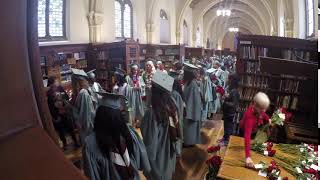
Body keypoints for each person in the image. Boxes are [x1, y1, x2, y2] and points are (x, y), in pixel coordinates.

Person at [83, 93, 151, 180]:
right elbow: (139, 161)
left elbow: (92, 175)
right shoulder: (129, 132)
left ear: (98, 116)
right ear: (119, 115)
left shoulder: (89, 144)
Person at [141, 71, 180, 180]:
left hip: (158, 156)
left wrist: (147, 165)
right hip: (169, 152)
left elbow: (150, 144)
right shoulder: (172, 105)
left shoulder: (153, 114)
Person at [239, 92, 271, 169]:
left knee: (251, 143)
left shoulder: (258, 110)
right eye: (262, 108)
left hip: (254, 129)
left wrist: (268, 118)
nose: (264, 110)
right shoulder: (249, 117)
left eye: (265, 108)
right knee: (241, 145)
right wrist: (247, 157)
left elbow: (263, 114)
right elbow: (247, 136)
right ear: (255, 105)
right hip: (244, 131)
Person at [47, 76, 79, 149]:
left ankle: (76, 142)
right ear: (52, 83)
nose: (58, 82)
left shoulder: (60, 88)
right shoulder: (49, 93)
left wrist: (63, 100)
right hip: (57, 114)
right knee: (60, 130)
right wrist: (55, 116)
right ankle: (65, 144)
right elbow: (50, 105)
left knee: (70, 128)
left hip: (65, 112)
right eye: (56, 81)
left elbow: (66, 97)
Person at [72, 68, 96, 144]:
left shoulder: (85, 91)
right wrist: (88, 124)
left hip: (89, 120)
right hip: (88, 123)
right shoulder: (83, 93)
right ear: (81, 82)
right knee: (88, 142)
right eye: (86, 80)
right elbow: (85, 112)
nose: (87, 83)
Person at [183, 63, 203, 146]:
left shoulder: (193, 84)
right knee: (188, 127)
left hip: (191, 109)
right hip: (187, 106)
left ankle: (190, 142)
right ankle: (188, 141)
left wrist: (188, 109)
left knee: (191, 127)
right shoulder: (188, 83)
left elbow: (193, 100)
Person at [219, 73, 240, 146]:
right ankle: (225, 137)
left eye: (229, 79)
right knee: (225, 125)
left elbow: (234, 104)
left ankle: (227, 141)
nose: (228, 80)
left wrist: (225, 102)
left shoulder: (234, 91)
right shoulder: (231, 89)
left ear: (232, 80)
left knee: (229, 127)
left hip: (230, 112)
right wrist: (225, 98)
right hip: (227, 111)